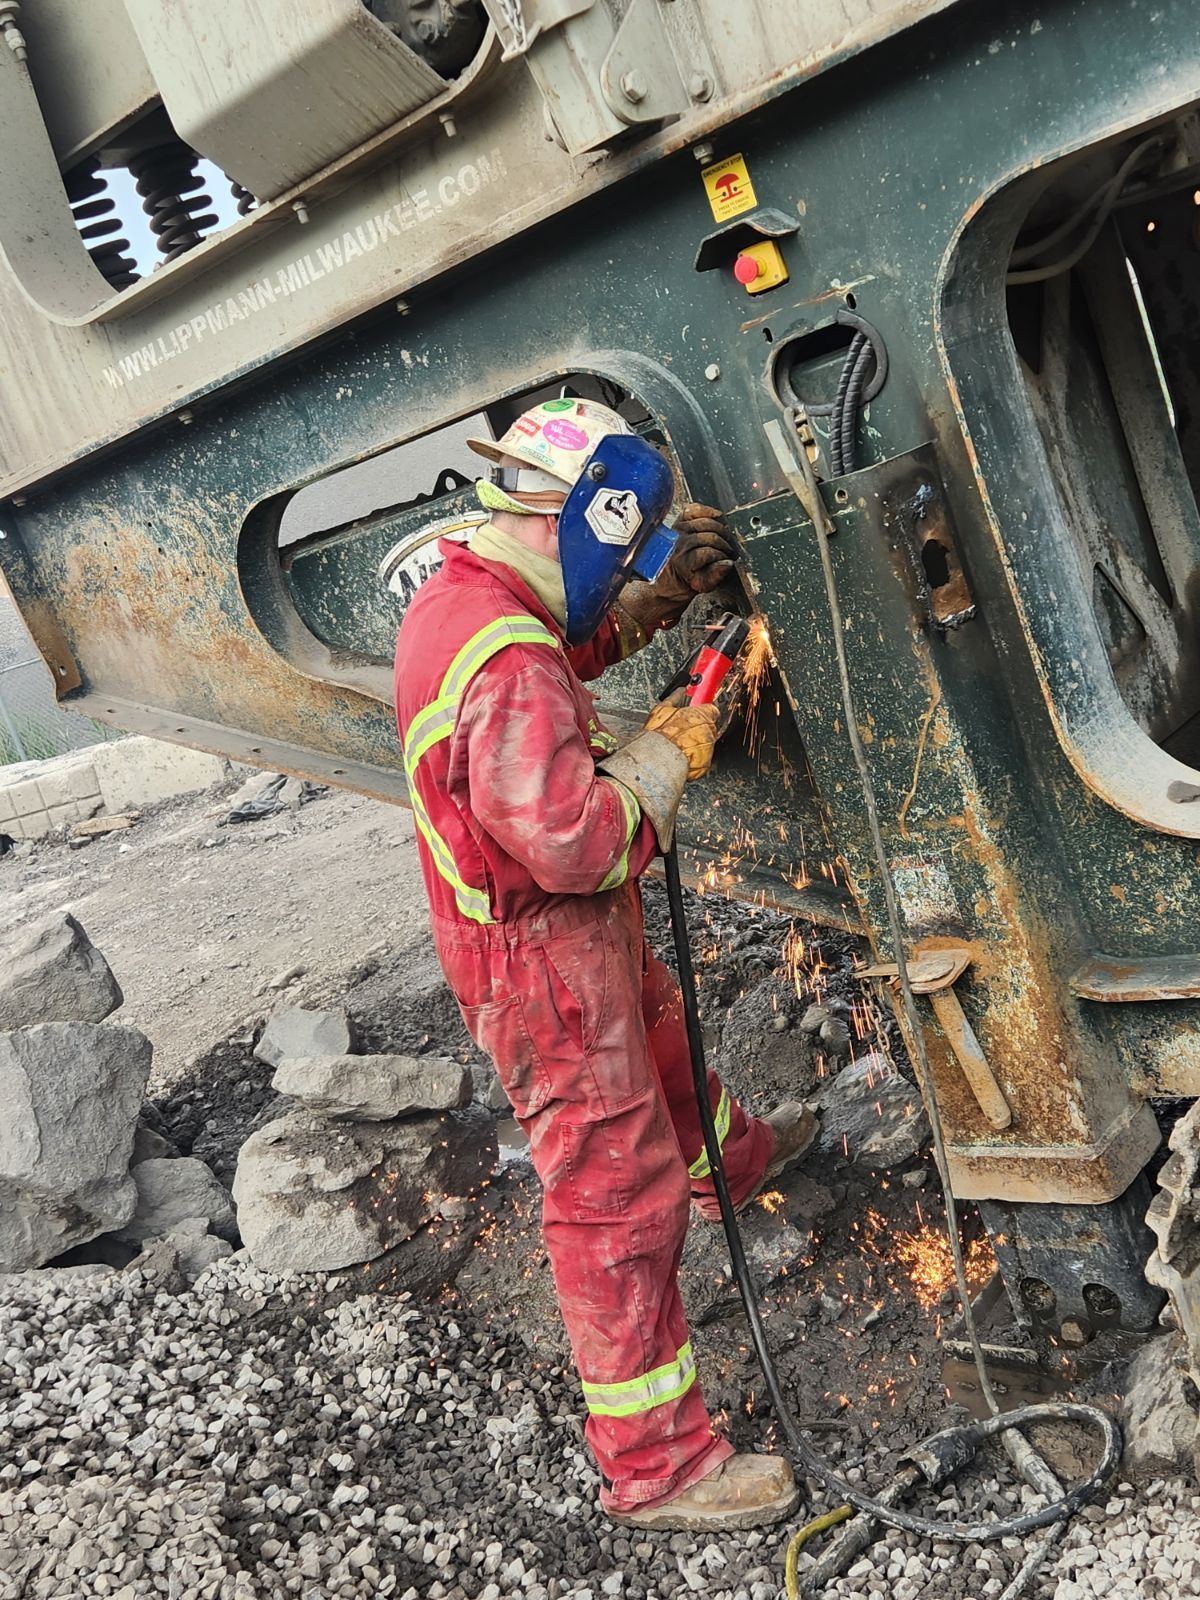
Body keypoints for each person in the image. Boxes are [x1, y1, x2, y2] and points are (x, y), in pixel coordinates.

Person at [394, 398, 817, 1531]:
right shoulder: (505, 664)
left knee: (663, 1038)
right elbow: (578, 841)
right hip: (537, 941)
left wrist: (661, 603)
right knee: (611, 1188)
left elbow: (560, 633)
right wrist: (667, 754)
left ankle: (733, 1159)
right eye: (623, 558)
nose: (622, 576)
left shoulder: (471, 592)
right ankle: (659, 1464)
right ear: (574, 522)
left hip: (546, 928)